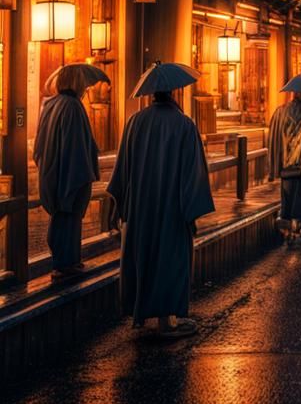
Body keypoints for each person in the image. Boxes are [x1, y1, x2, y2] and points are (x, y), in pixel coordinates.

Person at [108, 69, 214, 338]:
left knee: (141, 256)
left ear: (150, 94)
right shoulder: (184, 125)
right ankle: (167, 321)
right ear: (175, 92)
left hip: (141, 204)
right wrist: (191, 210)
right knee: (170, 258)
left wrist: (122, 204)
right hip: (172, 206)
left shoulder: (135, 122)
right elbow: (194, 173)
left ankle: (140, 314)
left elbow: (123, 168)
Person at [34, 66, 100, 280]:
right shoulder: (73, 107)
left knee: (60, 217)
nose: (86, 89)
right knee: (69, 218)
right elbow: (76, 146)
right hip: (70, 173)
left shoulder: (51, 104)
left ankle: (64, 262)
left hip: (53, 171)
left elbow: (40, 144)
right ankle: (66, 263)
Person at [267, 75, 301, 242]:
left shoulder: (281, 112)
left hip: (286, 166)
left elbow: (274, 139)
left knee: (287, 196)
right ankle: (299, 224)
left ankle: (287, 224)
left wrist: (276, 164)